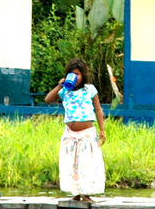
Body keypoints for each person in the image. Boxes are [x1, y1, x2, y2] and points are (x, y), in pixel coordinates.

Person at [44, 58, 107, 201]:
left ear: (83, 75)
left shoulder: (89, 89)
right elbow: (48, 99)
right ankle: (76, 193)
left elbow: (98, 109)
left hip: (87, 133)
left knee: (87, 162)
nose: (75, 77)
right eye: (71, 74)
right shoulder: (64, 91)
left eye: (77, 74)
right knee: (71, 162)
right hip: (70, 134)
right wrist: (60, 85)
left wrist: (102, 130)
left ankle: (86, 194)